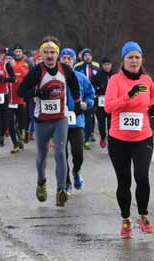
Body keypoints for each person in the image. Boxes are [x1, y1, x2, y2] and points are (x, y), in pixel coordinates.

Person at [17, 36, 82, 207]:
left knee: (60, 153)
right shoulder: (37, 71)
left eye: (52, 52)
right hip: (41, 121)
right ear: (41, 55)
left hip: (60, 119)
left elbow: (74, 83)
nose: (49, 56)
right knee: (42, 156)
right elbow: (21, 91)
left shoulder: (66, 69)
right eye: (46, 52)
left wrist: (76, 101)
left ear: (57, 54)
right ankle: (41, 182)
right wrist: (37, 94)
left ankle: (61, 190)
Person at [104, 41, 154, 238]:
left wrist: (153, 106)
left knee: (142, 176)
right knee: (124, 180)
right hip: (118, 139)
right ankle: (126, 219)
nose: (134, 61)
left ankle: (143, 215)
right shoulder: (115, 81)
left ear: (141, 60)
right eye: (130, 57)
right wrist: (129, 96)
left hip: (142, 136)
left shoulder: (147, 80)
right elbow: (108, 108)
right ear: (123, 60)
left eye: (137, 57)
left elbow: (153, 95)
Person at [59, 48, 95, 194]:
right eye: (64, 58)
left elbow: (90, 95)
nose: (67, 60)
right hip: (59, 123)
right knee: (62, 155)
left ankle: (76, 171)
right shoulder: (54, 78)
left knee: (77, 153)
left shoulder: (80, 77)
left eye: (69, 58)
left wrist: (87, 104)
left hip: (77, 121)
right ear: (59, 60)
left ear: (74, 61)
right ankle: (66, 181)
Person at [7, 43, 32, 148]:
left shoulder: (26, 64)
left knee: (23, 120)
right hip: (10, 97)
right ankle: (16, 143)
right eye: (16, 52)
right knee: (11, 121)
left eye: (19, 52)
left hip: (22, 97)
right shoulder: (9, 64)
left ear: (22, 53)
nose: (17, 53)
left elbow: (30, 79)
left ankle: (24, 133)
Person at [75, 48, 100, 147]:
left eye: (89, 55)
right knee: (81, 115)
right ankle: (80, 134)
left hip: (92, 94)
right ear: (82, 57)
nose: (87, 57)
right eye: (85, 55)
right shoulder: (77, 66)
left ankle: (88, 137)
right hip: (81, 94)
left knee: (90, 116)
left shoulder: (96, 66)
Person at [92, 57, 115, 148]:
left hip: (112, 103)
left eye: (109, 65)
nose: (107, 67)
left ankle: (111, 140)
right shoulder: (97, 76)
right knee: (101, 122)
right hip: (100, 103)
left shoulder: (114, 76)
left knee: (111, 123)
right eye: (105, 65)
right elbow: (93, 88)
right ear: (102, 65)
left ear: (111, 65)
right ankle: (102, 137)